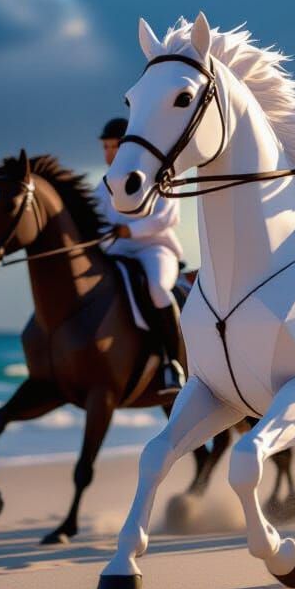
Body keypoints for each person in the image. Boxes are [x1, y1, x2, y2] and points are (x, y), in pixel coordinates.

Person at [96, 117, 186, 395]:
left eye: (115, 146)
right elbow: (96, 220)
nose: (110, 153)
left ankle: (174, 363)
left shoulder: (159, 173)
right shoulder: (104, 184)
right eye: (106, 147)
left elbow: (167, 218)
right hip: (117, 250)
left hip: (155, 248)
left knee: (158, 288)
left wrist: (129, 230)